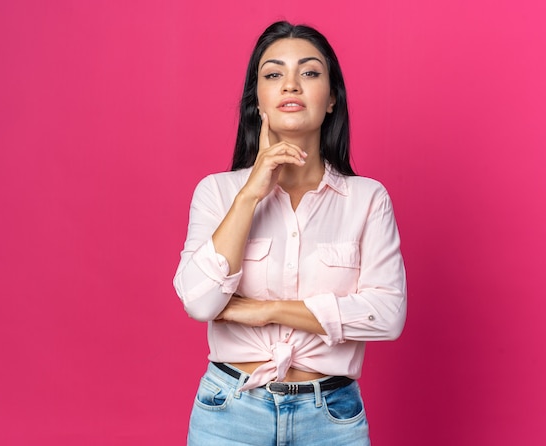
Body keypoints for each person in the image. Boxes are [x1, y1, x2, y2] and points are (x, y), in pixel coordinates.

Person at [173, 20, 406, 445]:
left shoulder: (368, 199)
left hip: (332, 420)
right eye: (273, 74)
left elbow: (387, 316)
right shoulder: (217, 192)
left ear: (332, 98)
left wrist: (267, 310)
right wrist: (249, 196)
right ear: (257, 100)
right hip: (229, 415)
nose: (291, 85)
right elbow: (200, 301)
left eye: (310, 73)